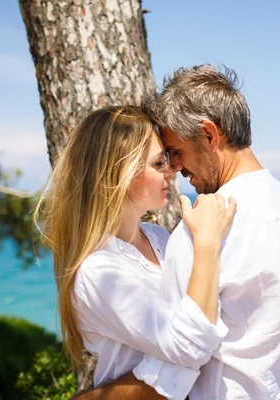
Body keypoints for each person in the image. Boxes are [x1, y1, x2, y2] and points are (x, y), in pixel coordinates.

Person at [77, 65, 280, 399]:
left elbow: (183, 353)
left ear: (210, 135)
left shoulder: (198, 233)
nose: (176, 169)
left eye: (177, 152)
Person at [34, 105, 237, 398]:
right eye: (158, 164)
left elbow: (196, 337)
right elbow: (190, 345)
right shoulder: (98, 272)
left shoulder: (159, 238)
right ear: (118, 174)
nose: (171, 172)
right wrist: (207, 242)